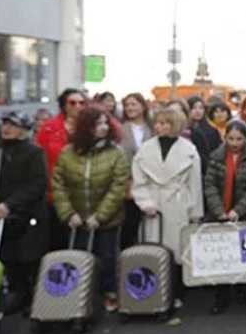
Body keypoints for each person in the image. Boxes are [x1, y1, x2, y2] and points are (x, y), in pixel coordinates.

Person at [52, 107, 130, 312]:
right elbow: (58, 184)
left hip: (106, 219)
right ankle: (75, 294)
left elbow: (118, 186)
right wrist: (68, 213)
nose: (103, 128)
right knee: (76, 257)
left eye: (106, 123)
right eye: (98, 124)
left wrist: (101, 215)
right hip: (76, 217)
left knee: (107, 257)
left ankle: (109, 291)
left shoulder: (116, 153)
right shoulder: (67, 153)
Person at [131, 108, 203, 311]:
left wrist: (195, 212)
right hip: (154, 203)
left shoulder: (189, 150)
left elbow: (194, 184)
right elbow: (139, 181)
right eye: (157, 123)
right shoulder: (145, 149)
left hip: (179, 203)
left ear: (175, 125)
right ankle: (153, 290)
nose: (158, 126)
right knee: (154, 247)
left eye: (164, 123)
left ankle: (176, 293)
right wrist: (145, 203)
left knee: (177, 250)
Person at [0, 111, 47, 315]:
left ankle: (36, 297)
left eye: (13, 125)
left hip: (27, 213)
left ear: (23, 130)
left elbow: (37, 184)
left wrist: (10, 204)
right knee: (8, 256)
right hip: (0, 213)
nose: (6, 129)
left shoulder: (33, 152)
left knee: (29, 256)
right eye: (5, 124)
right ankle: (19, 292)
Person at [204, 120, 246, 314]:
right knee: (222, 256)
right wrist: (219, 210)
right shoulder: (216, 157)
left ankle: (242, 290)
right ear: (225, 137)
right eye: (231, 138)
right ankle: (222, 296)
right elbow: (210, 186)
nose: (235, 143)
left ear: (245, 139)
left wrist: (239, 209)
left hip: (244, 212)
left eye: (239, 139)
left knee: (244, 254)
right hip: (220, 211)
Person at [35, 88, 87, 249]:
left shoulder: (90, 127)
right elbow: (39, 156)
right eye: (72, 102)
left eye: (81, 103)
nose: (77, 106)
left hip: (82, 192)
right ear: (64, 105)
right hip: (55, 191)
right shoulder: (49, 128)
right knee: (57, 240)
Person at [119, 93, 153, 249]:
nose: (130, 108)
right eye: (127, 105)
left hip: (151, 182)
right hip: (128, 183)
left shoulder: (152, 127)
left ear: (142, 106)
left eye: (134, 104)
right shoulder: (120, 129)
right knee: (129, 226)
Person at [169, 99, 211, 173]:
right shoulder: (160, 135)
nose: (174, 116)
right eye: (171, 112)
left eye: (178, 111)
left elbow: (204, 164)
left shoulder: (196, 135)